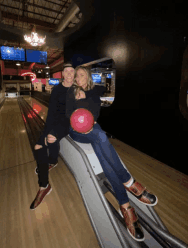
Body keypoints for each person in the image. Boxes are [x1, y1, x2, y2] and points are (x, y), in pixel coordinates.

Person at [66, 65, 158, 242]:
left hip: (93, 129)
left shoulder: (93, 93)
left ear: (88, 77)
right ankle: (129, 182)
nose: (78, 78)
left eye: (82, 75)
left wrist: (84, 99)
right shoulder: (71, 93)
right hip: (76, 131)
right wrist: (75, 101)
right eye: (76, 76)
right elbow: (66, 115)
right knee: (100, 136)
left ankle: (125, 206)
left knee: (103, 151)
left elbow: (94, 113)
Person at [30, 62, 75, 210]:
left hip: (70, 124)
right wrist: (45, 131)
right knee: (39, 144)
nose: (68, 74)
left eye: (71, 71)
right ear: (62, 74)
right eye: (66, 71)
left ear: (74, 74)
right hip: (56, 123)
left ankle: (52, 162)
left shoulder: (78, 89)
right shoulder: (57, 90)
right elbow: (51, 114)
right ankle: (45, 185)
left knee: (51, 137)